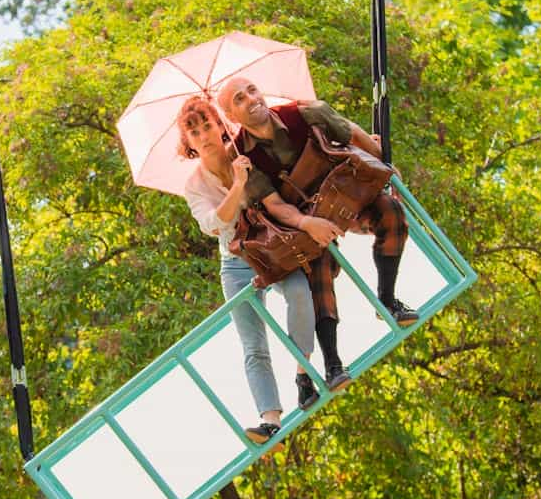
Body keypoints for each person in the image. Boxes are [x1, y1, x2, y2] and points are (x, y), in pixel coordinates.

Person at [216, 77, 418, 394]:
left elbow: (352, 134)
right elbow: (275, 206)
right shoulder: (241, 158)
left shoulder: (306, 113)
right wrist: (308, 224)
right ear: (231, 115)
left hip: (344, 193)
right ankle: (332, 365)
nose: (251, 99)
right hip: (305, 218)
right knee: (316, 270)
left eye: (253, 89)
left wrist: (384, 164)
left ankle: (388, 300)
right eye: (239, 99)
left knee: (390, 213)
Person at [178, 96, 334, 449]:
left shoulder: (244, 154)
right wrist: (236, 186)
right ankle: (270, 422)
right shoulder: (194, 184)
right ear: (186, 141)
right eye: (194, 132)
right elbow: (214, 224)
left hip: (271, 250)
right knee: (253, 344)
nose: (203, 136)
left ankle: (302, 373)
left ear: (220, 125)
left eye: (207, 126)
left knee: (300, 294)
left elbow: (275, 198)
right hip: (235, 263)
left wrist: (248, 174)